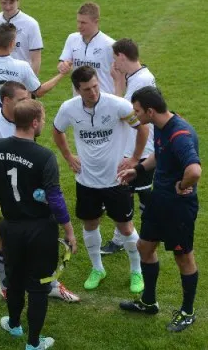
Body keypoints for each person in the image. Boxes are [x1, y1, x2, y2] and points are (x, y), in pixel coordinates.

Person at [0, 82, 79, 303]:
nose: (27, 103)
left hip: (27, 193)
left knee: (34, 242)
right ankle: (5, 285)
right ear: (6, 101)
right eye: (22, 100)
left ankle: (47, 284)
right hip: (3, 196)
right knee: (2, 240)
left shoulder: (23, 124)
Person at [0, 99, 77, 350]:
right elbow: (55, 198)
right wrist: (69, 231)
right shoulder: (44, 156)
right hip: (40, 230)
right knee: (39, 286)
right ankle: (34, 343)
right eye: (43, 119)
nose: (44, 123)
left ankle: (14, 324)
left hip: (11, 227)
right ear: (34, 122)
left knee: (14, 279)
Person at [0, 22, 72, 234]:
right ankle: (26, 207)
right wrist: (62, 75)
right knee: (25, 167)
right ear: (13, 43)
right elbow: (39, 91)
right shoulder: (22, 67)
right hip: (20, 122)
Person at [52, 66, 148, 293]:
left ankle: (136, 270)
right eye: (87, 89)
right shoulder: (69, 108)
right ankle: (97, 268)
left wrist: (135, 158)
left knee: (125, 228)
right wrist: (68, 156)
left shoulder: (118, 105)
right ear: (77, 90)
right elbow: (57, 131)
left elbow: (142, 128)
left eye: (95, 86)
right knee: (90, 224)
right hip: (87, 181)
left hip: (117, 180)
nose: (93, 92)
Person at [118, 86, 202, 332]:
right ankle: (149, 302)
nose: (135, 116)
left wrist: (182, 185)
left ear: (150, 111)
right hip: (159, 201)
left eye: (137, 111)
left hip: (178, 207)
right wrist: (138, 169)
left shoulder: (180, 134)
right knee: (144, 247)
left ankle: (187, 312)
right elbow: (159, 154)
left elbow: (194, 170)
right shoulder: (161, 125)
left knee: (183, 256)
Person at [101, 38, 157, 255]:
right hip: (137, 147)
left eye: (115, 59)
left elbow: (121, 111)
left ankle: (139, 238)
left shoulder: (140, 81)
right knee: (131, 193)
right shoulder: (139, 77)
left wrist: (117, 81)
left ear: (122, 57)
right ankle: (139, 236)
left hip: (139, 149)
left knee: (128, 195)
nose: (114, 64)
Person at [57, 2, 115, 95]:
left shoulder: (110, 45)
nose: (79, 26)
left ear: (96, 22)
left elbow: (122, 75)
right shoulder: (72, 39)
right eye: (78, 22)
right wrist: (63, 66)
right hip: (79, 99)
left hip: (103, 99)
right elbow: (62, 62)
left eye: (83, 23)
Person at [0, 0, 44, 75]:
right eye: (4, 3)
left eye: (11, 2)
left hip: (21, 77)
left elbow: (36, 59)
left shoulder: (31, 24)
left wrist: (30, 81)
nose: (8, 7)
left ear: (18, 1)